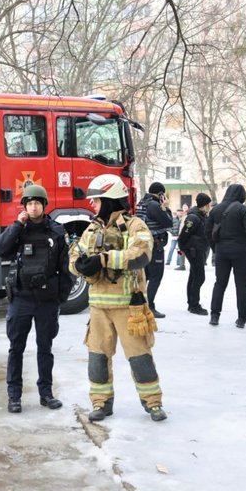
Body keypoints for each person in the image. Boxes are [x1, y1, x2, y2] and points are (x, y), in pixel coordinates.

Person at [69, 174, 167, 422]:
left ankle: (153, 403)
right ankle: (101, 403)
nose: (92, 205)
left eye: (96, 200)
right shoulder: (91, 229)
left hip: (129, 307)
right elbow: (74, 256)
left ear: (110, 199)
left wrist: (103, 259)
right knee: (97, 358)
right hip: (99, 308)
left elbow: (141, 254)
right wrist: (80, 266)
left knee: (140, 357)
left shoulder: (135, 226)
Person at [0, 184, 74, 414]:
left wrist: (60, 297)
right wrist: (17, 225)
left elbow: (65, 268)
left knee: (45, 348)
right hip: (21, 298)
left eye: (37, 203)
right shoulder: (19, 229)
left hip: (46, 300)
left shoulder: (56, 231)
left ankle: (46, 393)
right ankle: (14, 396)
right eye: (29, 203)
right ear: (25, 206)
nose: (33, 207)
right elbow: (0, 250)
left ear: (44, 205)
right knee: (16, 348)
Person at [205, 184, 246, 328]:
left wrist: (215, 247)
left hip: (222, 251)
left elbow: (207, 230)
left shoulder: (215, 209)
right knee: (242, 285)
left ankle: (214, 316)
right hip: (242, 252)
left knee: (219, 283)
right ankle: (241, 318)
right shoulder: (243, 210)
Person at [135, 182, 173, 318]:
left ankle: (140, 305)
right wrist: (166, 208)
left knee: (145, 276)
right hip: (155, 245)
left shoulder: (141, 203)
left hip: (142, 245)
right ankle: (149, 306)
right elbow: (169, 223)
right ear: (161, 194)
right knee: (156, 276)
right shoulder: (155, 206)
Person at [178, 193, 212, 315]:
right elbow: (184, 234)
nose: (210, 206)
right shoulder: (194, 217)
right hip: (194, 250)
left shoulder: (201, 215)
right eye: (209, 204)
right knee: (199, 277)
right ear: (205, 204)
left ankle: (191, 303)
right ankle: (194, 305)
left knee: (194, 276)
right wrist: (183, 247)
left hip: (198, 249)